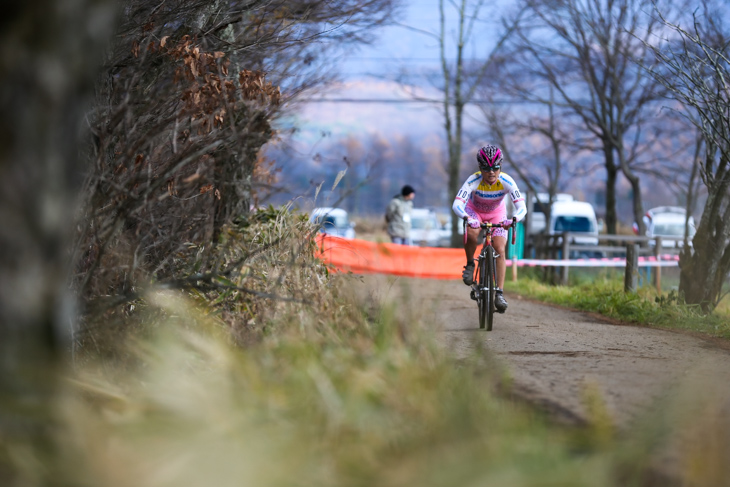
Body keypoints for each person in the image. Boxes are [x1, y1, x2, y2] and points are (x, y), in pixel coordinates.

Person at [452, 145, 526, 313]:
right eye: (486, 168)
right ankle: (470, 264)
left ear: (500, 167)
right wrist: (467, 218)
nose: (491, 172)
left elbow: (522, 207)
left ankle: (499, 293)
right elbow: (457, 204)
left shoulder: (507, 181)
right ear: (480, 168)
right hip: (474, 212)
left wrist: (513, 219)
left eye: (495, 168)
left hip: (497, 214)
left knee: (499, 248)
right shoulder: (473, 180)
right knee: (471, 233)